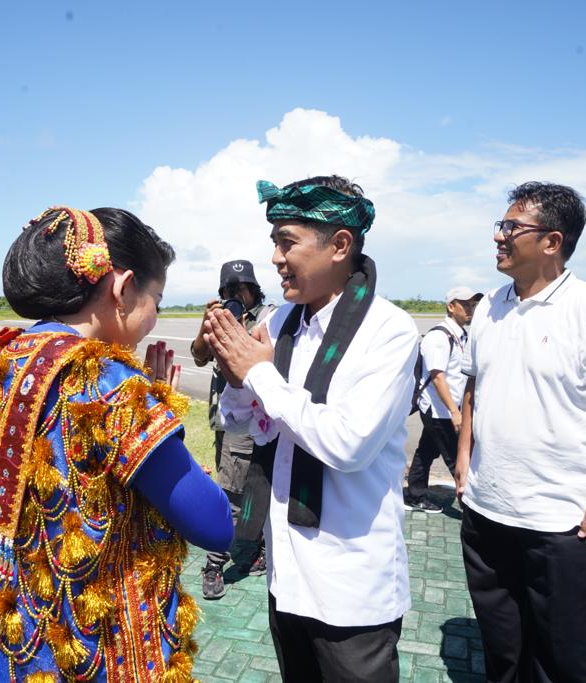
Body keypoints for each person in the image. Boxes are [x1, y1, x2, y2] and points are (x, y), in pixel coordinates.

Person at [0, 206, 233, 681]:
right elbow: (214, 524)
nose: (153, 315)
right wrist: (155, 408)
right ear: (123, 287)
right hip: (85, 642)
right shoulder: (111, 384)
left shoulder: (2, 358)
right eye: (156, 298)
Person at [208, 176, 419, 682]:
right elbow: (240, 421)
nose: (277, 259)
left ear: (340, 245)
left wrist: (259, 371)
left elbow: (346, 443)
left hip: (351, 579)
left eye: (288, 242)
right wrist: (236, 372)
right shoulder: (283, 322)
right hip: (288, 570)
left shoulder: (388, 330)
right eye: (274, 244)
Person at [455, 182, 586, 682]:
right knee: (503, 646)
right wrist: (463, 455)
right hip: (486, 510)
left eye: (511, 227)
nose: (499, 236)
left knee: (563, 657)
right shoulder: (491, 307)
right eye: (501, 225)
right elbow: (474, 386)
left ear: (551, 241)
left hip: (561, 521)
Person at [189, 260, 275, 599]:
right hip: (225, 419)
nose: (237, 295)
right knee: (232, 487)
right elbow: (198, 356)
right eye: (230, 290)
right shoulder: (220, 317)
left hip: (258, 416)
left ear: (254, 289)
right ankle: (225, 558)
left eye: (243, 288)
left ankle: (237, 554)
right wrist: (207, 324)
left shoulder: (269, 318)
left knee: (252, 486)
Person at [403, 286, 481, 513]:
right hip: (439, 410)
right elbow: (438, 378)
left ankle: (414, 495)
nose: (470, 309)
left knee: (426, 450)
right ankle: (471, 510)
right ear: (451, 306)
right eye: (465, 304)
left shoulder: (460, 334)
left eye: (472, 304)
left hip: (447, 408)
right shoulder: (439, 336)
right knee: (456, 457)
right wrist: (455, 412)